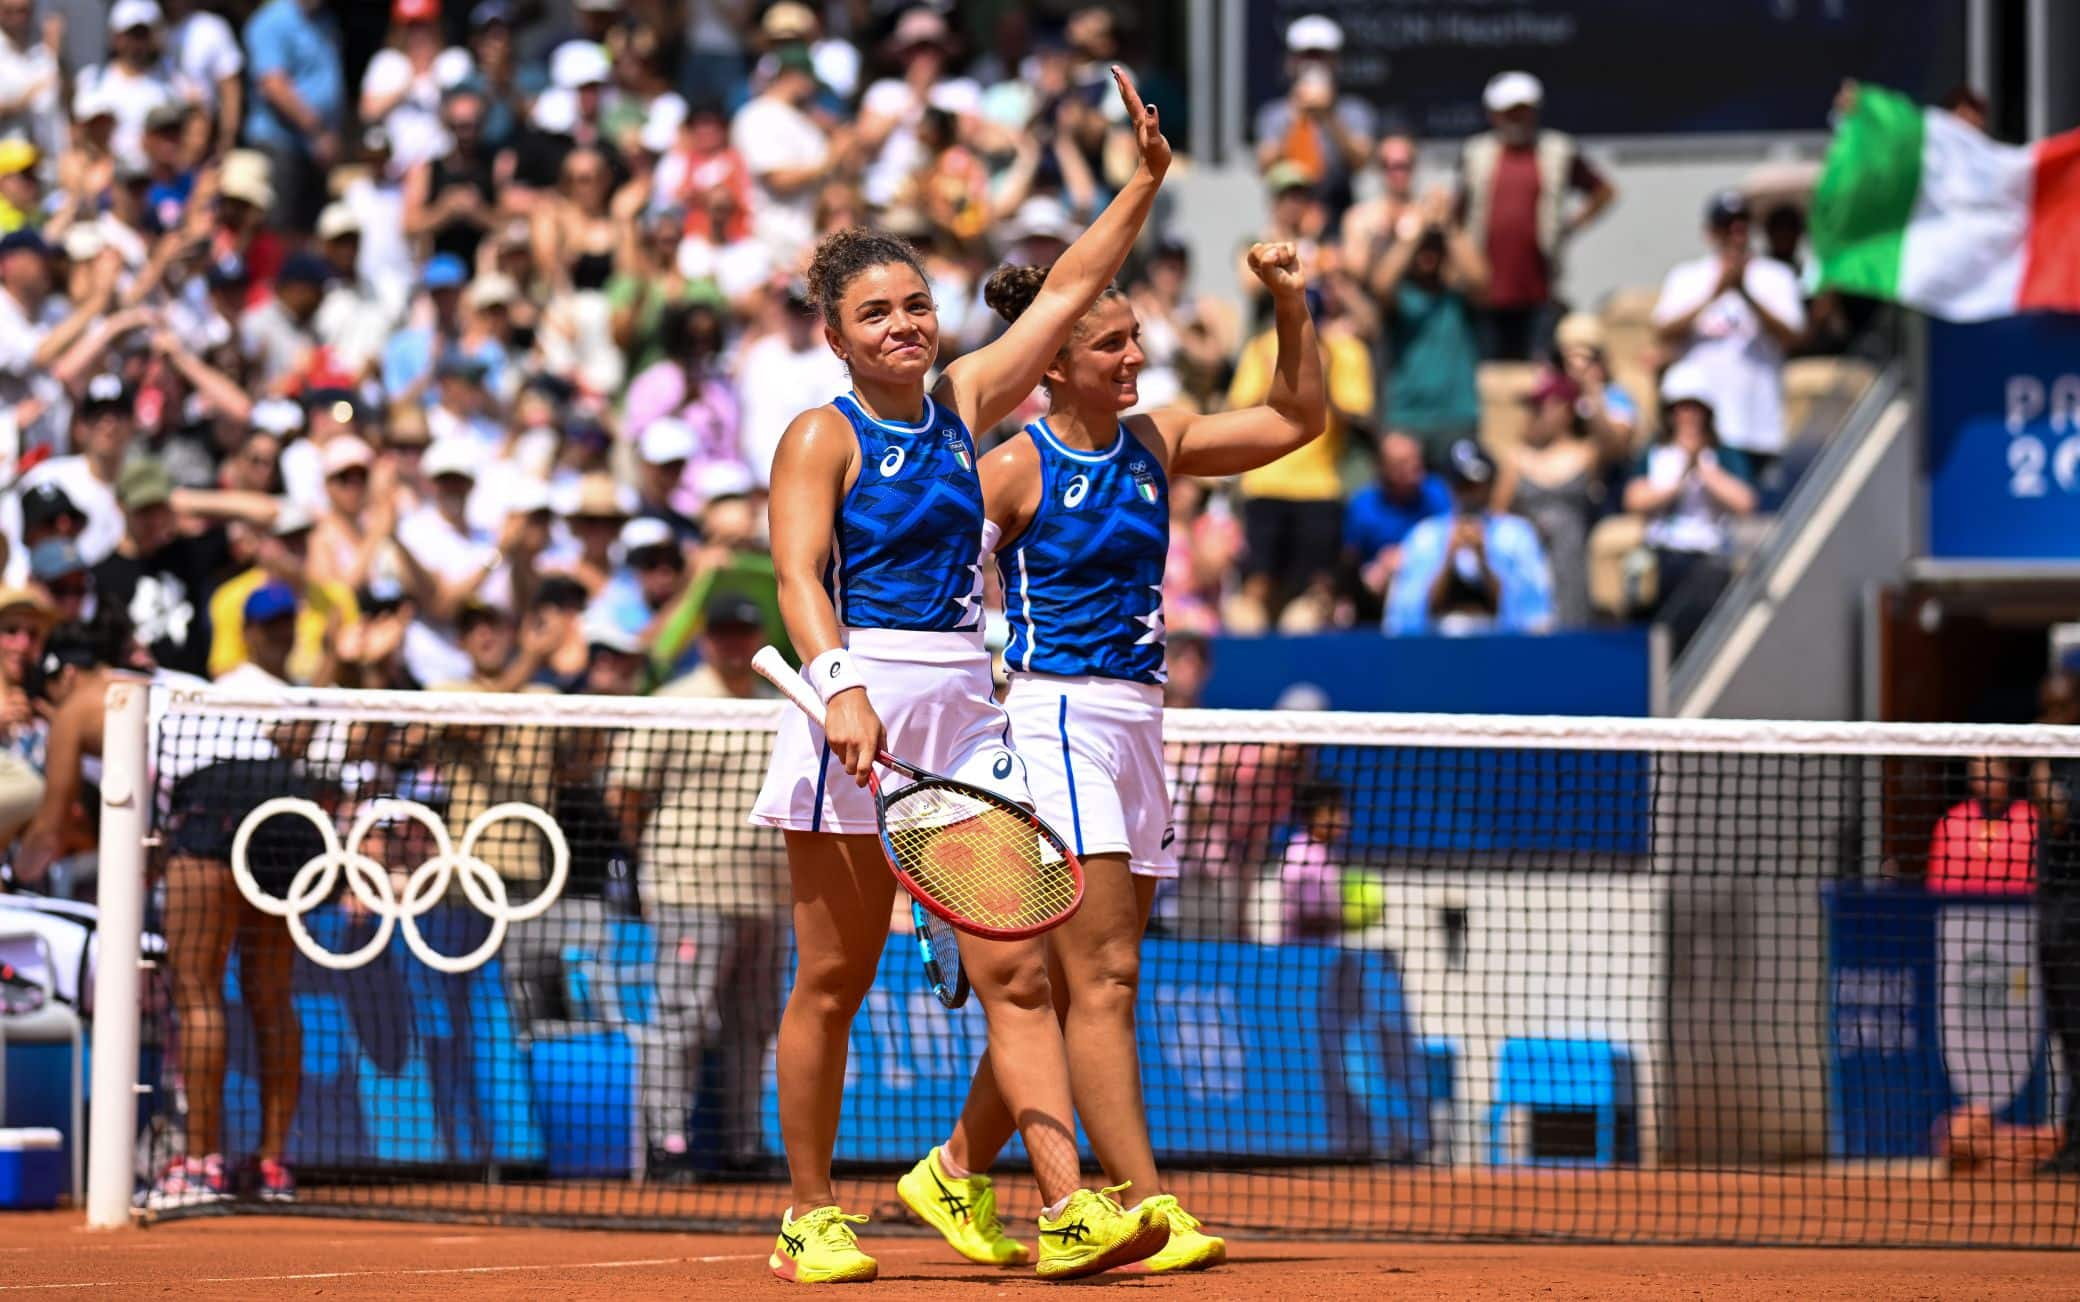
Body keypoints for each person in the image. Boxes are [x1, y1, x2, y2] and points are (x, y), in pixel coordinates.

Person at [748, 67, 1173, 1286]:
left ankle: (1064, 1202)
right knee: (831, 977)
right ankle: (809, 1211)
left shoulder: (967, 399)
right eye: (876, 312)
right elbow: (793, 574)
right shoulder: (818, 435)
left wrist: (1141, 180)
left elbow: (1076, 285)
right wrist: (836, 686)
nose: (905, 325)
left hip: (963, 711)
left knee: (1016, 967)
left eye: (917, 305)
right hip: (851, 703)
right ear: (834, 334)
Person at [914, 238, 1326, 1277]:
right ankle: (1146, 1200)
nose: (1134, 354)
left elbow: (1296, 419)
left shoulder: (1161, 436)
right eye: (1110, 342)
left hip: (1143, 729)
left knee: (1067, 987)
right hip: (1054, 721)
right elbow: (926, 587)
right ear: (1051, 359)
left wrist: (1288, 301)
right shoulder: (1010, 467)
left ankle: (956, 1165)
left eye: (1136, 335)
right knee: (1105, 975)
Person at [150, 585, 326, 1207]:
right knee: (269, 995)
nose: (278, 633)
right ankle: (268, 1165)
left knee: (201, 990)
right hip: (282, 815)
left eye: (286, 622)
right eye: (269, 624)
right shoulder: (217, 690)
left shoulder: (208, 698)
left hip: (226, 814)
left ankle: (204, 1163)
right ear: (247, 630)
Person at [613, 596, 783, 1179]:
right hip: (691, 887)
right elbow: (625, 794)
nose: (733, 643)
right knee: (681, 1016)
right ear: (705, 638)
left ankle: (743, 1145)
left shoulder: (778, 702)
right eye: (723, 633)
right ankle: (667, 1143)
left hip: (769, 895)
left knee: (754, 1025)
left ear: (758, 632)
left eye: (743, 630)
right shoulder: (675, 703)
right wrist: (654, 870)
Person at [1457, 71, 1615, 361]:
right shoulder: (1476, 153)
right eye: (1510, 113)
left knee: (1535, 370)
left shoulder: (1557, 150)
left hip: (1538, 287)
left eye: (1523, 112)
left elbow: (1603, 191)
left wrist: (1570, 226)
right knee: (1489, 370)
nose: (1517, 120)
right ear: (1494, 115)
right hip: (1485, 291)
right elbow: (1460, 213)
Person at [1652, 190, 1806, 478]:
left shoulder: (1775, 276)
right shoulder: (1687, 276)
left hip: (1759, 425)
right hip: (1705, 427)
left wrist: (1745, 293)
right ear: (1710, 232)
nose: (1736, 234)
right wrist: (1715, 292)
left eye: (1742, 225)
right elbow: (1664, 331)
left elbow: (1793, 338)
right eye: (1727, 226)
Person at [1620, 383, 1757, 651]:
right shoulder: (1655, 453)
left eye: (1696, 409)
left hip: (1709, 551)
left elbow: (1745, 501)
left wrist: (1705, 472)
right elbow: (1634, 498)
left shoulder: (1722, 455)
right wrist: (1678, 480)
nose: (1689, 416)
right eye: (1682, 408)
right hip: (1664, 551)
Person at [1494, 369, 1630, 628]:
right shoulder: (1517, 458)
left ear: (1566, 410)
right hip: (1530, 562)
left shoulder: (1587, 453)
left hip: (1572, 558)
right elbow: (1498, 516)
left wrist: (1591, 392)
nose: (1535, 413)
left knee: (1571, 626)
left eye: (1542, 405)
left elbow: (1615, 444)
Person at [1386, 439, 1554, 636]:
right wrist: (1448, 559)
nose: (1468, 494)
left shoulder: (1516, 536)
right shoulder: (1424, 537)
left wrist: (1484, 560)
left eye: (1475, 485)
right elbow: (1404, 621)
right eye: (1460, 486)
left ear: (1489, 485)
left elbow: (1534, 617)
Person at [1371, 187, 1486, 467]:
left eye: (1435, 248)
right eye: (1424, 248)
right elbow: (1381, 284)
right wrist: (1417, 229)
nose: (1428, 255)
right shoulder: (1401, 298)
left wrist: (1448, 227)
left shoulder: (1457, 299)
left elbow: (1481, 280)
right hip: (1406, 417)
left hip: (1457, 415)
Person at [1251, 15, 1374, 228]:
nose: (1314, 64)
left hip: (1338, 215)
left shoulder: (1354, 111)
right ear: (1291, 62)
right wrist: (1298, 113)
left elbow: (1361, 161)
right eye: (1306, 56)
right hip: (1289, 214)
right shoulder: (1274, 114)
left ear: (1335, 62)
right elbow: (1264, 165)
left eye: (1321, 56)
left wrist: (1329, 116)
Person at [2030, 670, 2080, 1175]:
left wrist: (2040, 756)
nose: (2051, 715)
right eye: (2046, 705)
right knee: (2068, 1041)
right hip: (2054, 925)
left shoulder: (2068, 764)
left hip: (2077, 925)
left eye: (2059, 706)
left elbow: (2059, 813)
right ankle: (2073, 1145)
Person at [241, 0, 345, 233]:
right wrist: (317, 131)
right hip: (280, 144)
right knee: (279, 231)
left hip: (315, 149)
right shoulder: (271, 21)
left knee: (311, 233)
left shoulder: (325, 21)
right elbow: (273, 85)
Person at [1344, 431, 1451, 621]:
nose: (1413, 467)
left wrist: (1408, 555)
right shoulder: (1362, 506)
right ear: (1381, 468)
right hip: (1377, 590)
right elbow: (1349, 560)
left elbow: (1451, 541)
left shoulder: (1438, 494)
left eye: (1416, 460)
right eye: (1402, 463)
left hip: (1432, 582)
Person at [1927, 755, 2036, 894]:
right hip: (1961, 909)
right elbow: (1937, 881)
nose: (1987, 779)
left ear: (2009, 772)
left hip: (2016, 909)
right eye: (1979, 771)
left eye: (1993, 770)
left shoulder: (2029, 818)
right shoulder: (1952, 821)